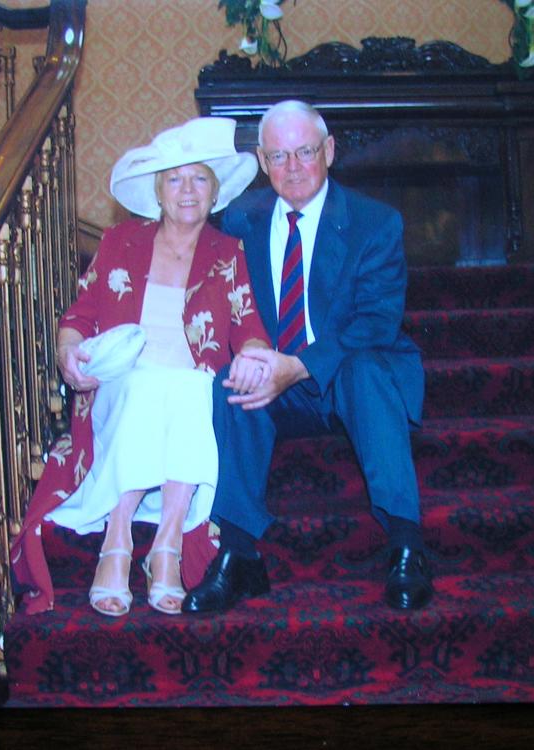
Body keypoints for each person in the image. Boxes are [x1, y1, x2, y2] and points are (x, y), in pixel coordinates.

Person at [10, 117, 270, 617]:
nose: (188, 190)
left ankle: (166, 543)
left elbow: (247, 323)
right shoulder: (120, 241)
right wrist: (69, 354)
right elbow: (79, 317)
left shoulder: (227, 251)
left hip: (189, 393)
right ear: (158, 190)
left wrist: (256, 355)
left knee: (196, 387)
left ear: (214, 191)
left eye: (199, 178)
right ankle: (119, 535)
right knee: (153, 385)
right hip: (120, 389)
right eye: (175, 178)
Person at [183, 100, 433, 615]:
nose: (292, 167)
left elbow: (376, 322)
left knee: (366, 369)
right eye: (278, 156)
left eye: (304, 152)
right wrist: (254, 353)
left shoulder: (375, 222)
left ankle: (407, 544)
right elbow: (226, 302)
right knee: (234, 379)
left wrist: (295, 366)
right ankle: (237, 553)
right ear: (261, 160)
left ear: (330, 151)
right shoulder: (240, 220)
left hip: (346, 373)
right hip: (277, 379)